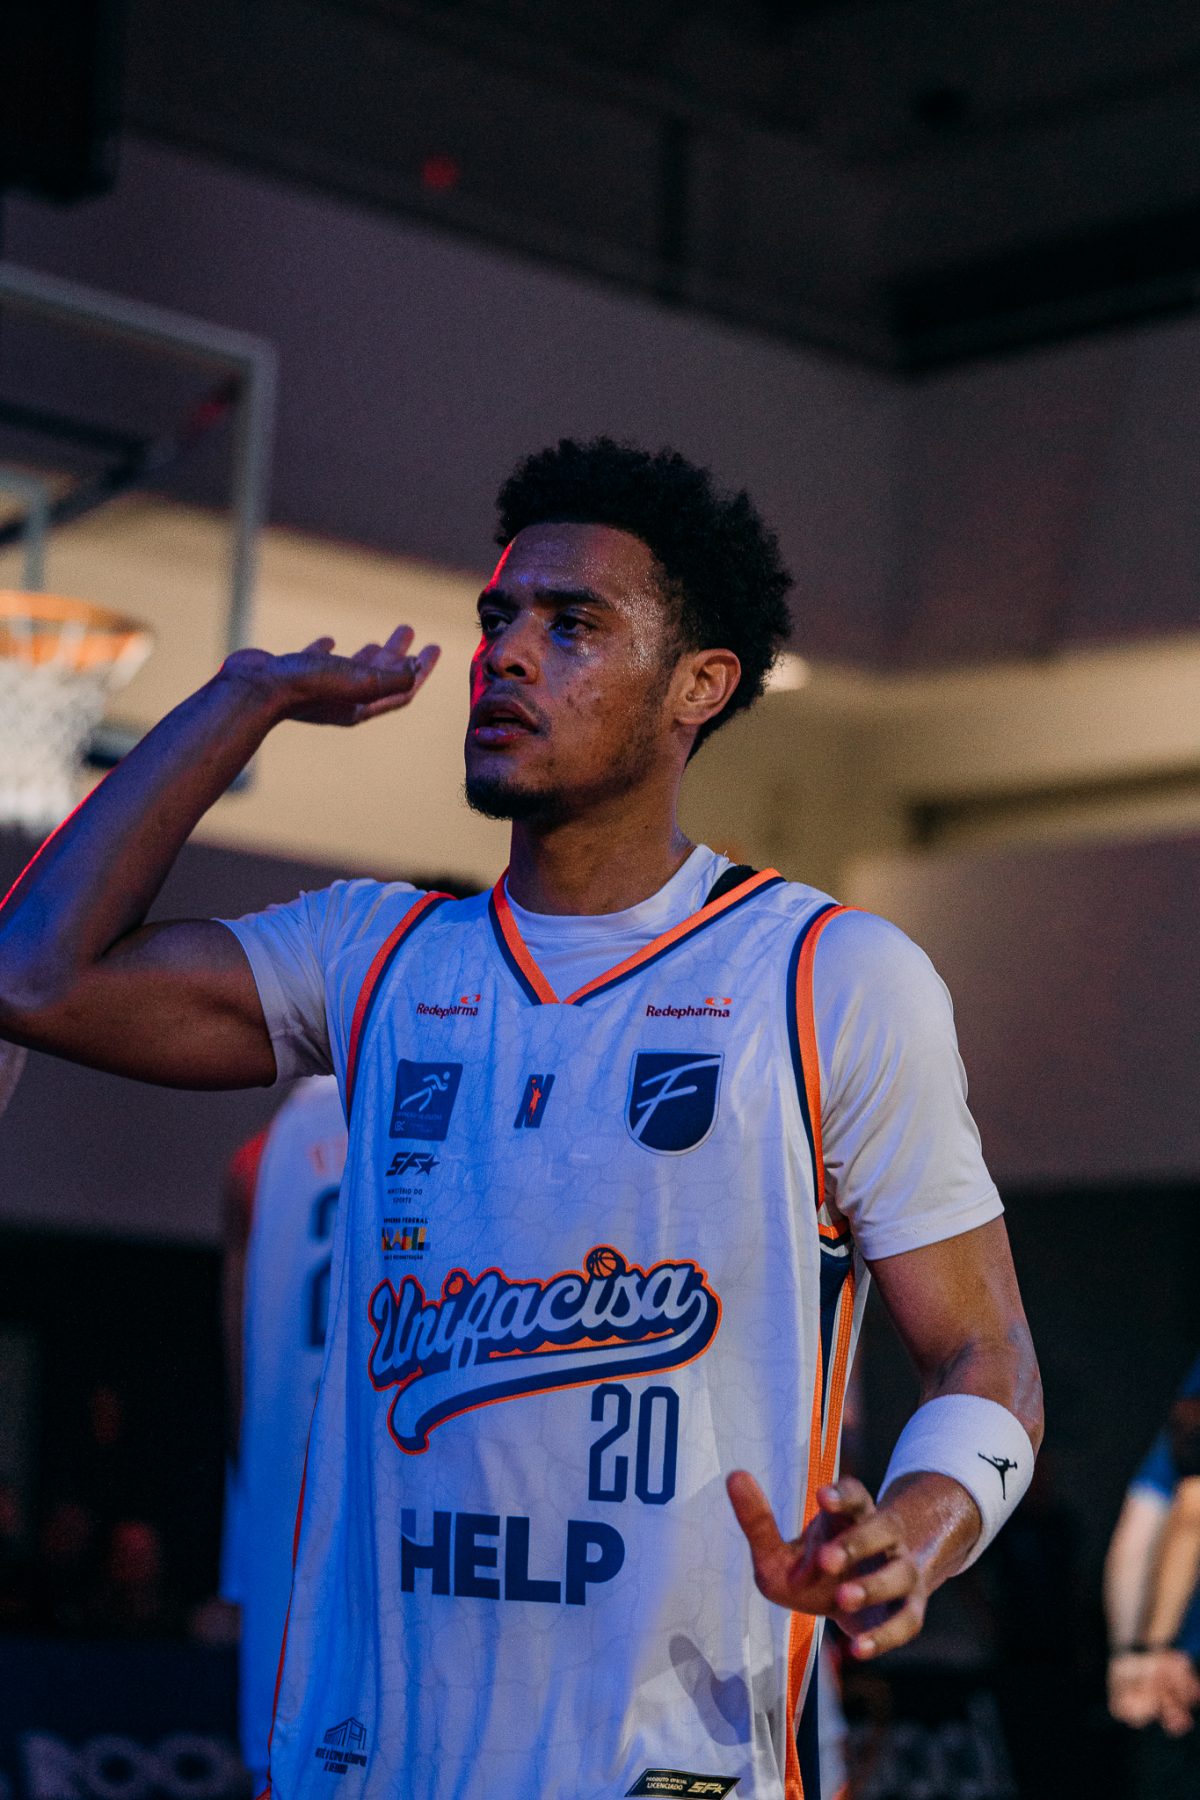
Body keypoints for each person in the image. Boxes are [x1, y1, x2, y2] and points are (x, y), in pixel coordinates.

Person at [0, 438, 1043, 1800]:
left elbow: (986, 1352)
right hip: (367, 1765)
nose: (505, 653)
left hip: (666, 1769)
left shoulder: (826, 974)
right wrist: (241, 699)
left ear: (699, 686)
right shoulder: (374, 955)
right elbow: (34, 979)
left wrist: (917, 1529)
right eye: (499, 616)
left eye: (573, 624)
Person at [222, 1077, 347, 1791]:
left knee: (282, 1726)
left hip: (285, 1454)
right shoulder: (442, 1113)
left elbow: (238, 1353)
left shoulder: (257, 1158)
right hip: (389, 1452)